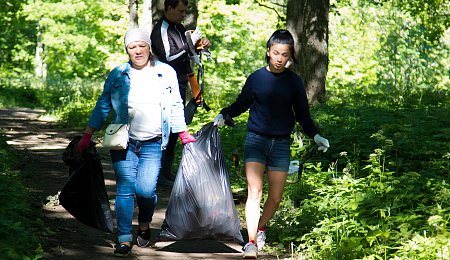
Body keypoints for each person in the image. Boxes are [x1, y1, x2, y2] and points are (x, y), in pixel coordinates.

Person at [76, 27, 196, 257]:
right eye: (132, 47)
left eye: (141, 45)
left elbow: (175, 104)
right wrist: (88, 134)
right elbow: (103, 105)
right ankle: (124, 238)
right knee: (124, 190)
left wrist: (182, 133)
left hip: (153, 141)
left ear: (149, 47)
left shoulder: (166, 72)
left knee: (146, 190)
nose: (137, 50)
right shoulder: (118, 74)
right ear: (127, 50)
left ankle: (143, 224)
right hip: (124, 141)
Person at [213, 29, 330, 259]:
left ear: (290, 56)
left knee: (275, 197)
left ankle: (262, 226)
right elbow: (242, 103)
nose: (279, 58)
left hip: (281, 144)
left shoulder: (294, 82)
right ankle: (252, 242)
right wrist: (224, 114)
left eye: (284, 55)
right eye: (275, 53)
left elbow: (303, 116)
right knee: (254, 191)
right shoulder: (256, 78)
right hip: (256, 139)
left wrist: (316, 135)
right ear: (268, 52)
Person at [151, 0, 211, 186]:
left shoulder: (179, 27)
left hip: (181, 83)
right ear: (168, 8)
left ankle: (166, 173)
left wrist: (201, 46)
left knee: (176, 127)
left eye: (185, 11)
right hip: (164, 86)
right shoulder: (161, 29)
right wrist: (188, 43)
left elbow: (187, 53)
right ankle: (157, 173)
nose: (183, 14)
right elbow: (168, 57)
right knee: (164, 127)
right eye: (180, 11)